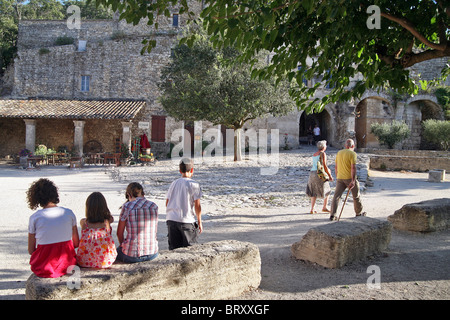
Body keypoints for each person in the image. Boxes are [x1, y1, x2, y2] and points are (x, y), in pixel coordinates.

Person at [27, 178, 79, 278]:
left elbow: (31, 250)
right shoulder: (69, 213)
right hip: (67, 263)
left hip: (44, 266)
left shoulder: (35, 218)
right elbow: (76, 243)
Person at [166, 158, 202, 250]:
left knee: (174, 250)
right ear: (192, 170)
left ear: (180, 171)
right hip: (187, 221)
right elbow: (197, 206)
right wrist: (199, 221)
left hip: (171, 220)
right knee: (190, 250)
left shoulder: (173, 183)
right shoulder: (194, 184)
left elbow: (167, 202)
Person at [116, 182, 158, 263]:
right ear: (143, 193)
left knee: (114, 252)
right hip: (153, 252)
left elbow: (119, 233)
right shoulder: (154, 206)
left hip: (132, 255)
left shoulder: (127, 206)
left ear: (129, 195)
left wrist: (124, 246)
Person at [76, 192, 117, 268]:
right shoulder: (106, 222)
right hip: (105, 261)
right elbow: (111, 218)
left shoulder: (84, 223)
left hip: (84, 261)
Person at [330, 139, 366, 221]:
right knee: (356, 196)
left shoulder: (339, 153)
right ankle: (358, 213)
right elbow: (353, 167)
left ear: (345, 145)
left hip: (340, 177)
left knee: (336, 197)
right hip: (349, 178)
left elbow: (336, 167)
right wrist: (353, 180)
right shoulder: (353, 154)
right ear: (352, 146)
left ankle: (333, 214)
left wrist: (337, 176)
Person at [306, 140, 333, 214]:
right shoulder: (323, 154)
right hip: (319, 173)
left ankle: (312, 208)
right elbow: (324, 165)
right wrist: (330, 175)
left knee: (313, 191)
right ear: (324, 147)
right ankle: (324, 207)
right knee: (327, 189)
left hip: (312, 173)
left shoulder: (314, 154)